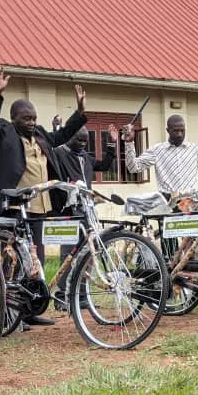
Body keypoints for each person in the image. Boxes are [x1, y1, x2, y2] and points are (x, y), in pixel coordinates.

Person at [0, 64, 87, 326]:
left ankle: (28, 311)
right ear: (14, 117)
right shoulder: (3, 132)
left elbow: (60, 135)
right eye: (26, 118)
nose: (31, 123)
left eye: (34, 118)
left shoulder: (38, 134)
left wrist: (80, 112)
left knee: (33, 257)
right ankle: (8, 314)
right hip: (13, 206)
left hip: (38, 206)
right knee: (11, 259)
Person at [50, 121, 117, 308]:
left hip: (87, 209)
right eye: (78, 140)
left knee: (88, 251)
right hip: (68, 210)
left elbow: (103, 165)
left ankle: (82, 294)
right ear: (69, 136)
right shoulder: (60, 154)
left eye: (85, 141)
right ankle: (63, 295)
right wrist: (57, 130)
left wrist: (111, 144)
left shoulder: (84, 157)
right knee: (68, 252)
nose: (82, 144)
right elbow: (51, 153)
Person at [122, 115, 198, 198]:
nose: (180, 134)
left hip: (190, 201)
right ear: (168, 130)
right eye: (176, 131)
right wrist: (129, 143)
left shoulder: (193, 149)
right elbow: (133, 167)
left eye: (182, 130)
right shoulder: (157, 150)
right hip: (167, 202)